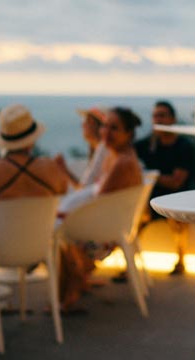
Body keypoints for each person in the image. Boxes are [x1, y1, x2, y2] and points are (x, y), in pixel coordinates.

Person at [56, 107, 145, 310]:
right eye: (104, 126)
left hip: (106, 234)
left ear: (128, 133)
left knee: (59, 234)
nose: (105, 132)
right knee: (59, 228)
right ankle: (73, 288)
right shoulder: (115, 155)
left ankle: (68, 295)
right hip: (112, 224)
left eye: (114, 128)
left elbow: (97, 202)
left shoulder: (122, 163)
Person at [134, 101, 195, 276]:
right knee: (133, 218)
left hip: (178, 196)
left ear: (172, 119)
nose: (158, 119)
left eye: (162, 115)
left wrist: (151, 176)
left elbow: (176, 183)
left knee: (178, 219)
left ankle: (181, 260)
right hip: (152, 197)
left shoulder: (184, 146)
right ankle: (130, 265)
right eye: (155, 116)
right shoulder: (145, 145)